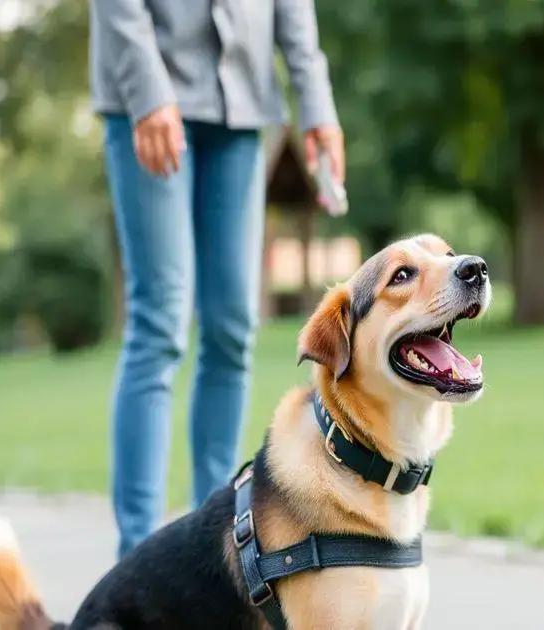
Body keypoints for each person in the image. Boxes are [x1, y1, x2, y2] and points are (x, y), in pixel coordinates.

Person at [90, 0, 345, 556]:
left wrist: (316, 105)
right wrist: (147, 91)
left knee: (232, 326)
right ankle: (136, 558)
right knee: (160, 321)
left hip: (242, 102)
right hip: (150, 92)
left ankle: (208, 550)